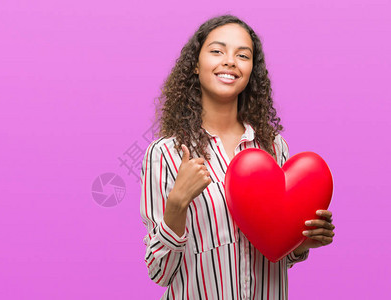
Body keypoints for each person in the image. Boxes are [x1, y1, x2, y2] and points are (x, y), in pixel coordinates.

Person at [140, 14, 335, 300]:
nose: (230, 61)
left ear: (251, 70)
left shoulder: (274, 148)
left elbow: (278, 252)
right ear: (195, 64)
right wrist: (178, 203)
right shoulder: (166, 153)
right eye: (217, 51)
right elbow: (160, 272)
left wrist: (304, 243)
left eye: (242, 55)